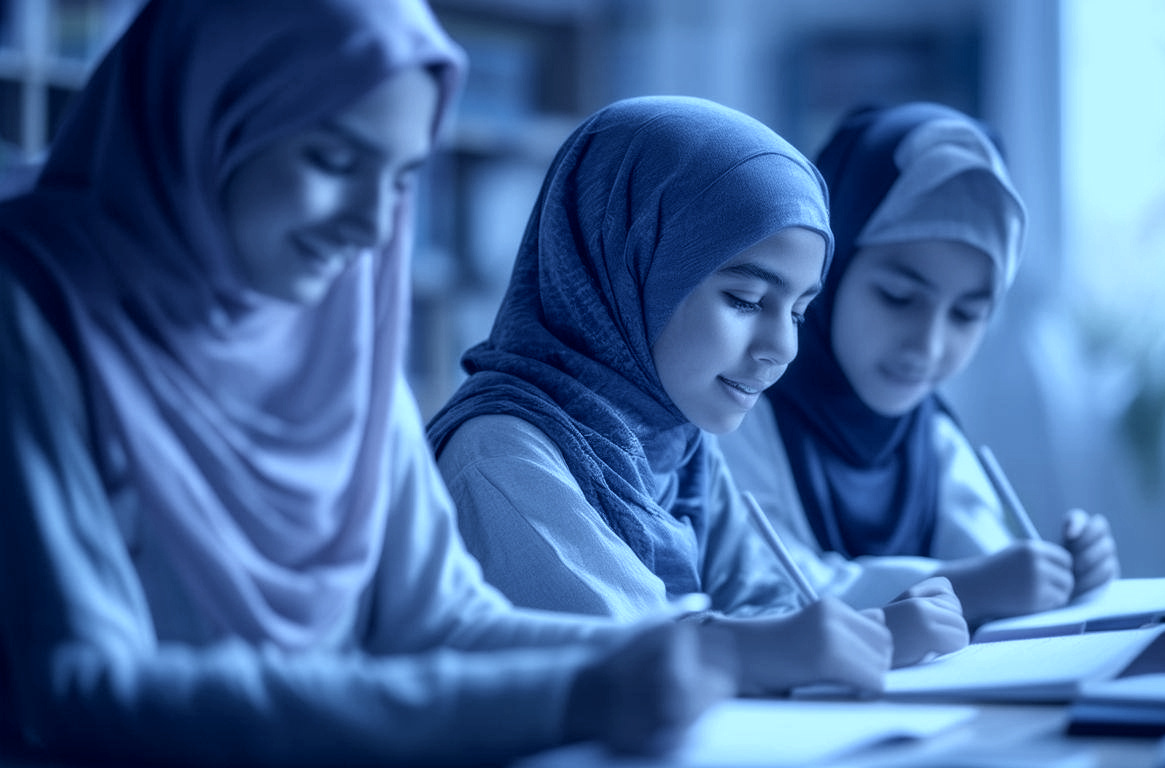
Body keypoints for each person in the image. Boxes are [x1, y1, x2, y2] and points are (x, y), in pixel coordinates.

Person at [0, 2, 739, 765]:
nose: (373, 229)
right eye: (334, 161)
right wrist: (568, 696)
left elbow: (443, 623)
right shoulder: (33, 311)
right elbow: (85, 689)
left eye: (402, 179)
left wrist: (712, 656)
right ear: (205, 117)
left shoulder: (334, 330)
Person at [425, 95, 968, 687]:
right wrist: (840, 642)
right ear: (627, 263)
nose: (782, 348)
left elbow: (772, 604)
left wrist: (867, 630)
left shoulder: (677, 441)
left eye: (800, 311)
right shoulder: (503, 455)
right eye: (746, 300)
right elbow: (637, 671)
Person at [718, 102, 1121, 627]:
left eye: (967, 314)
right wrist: (967, 588)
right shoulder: (737, 413)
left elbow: (989, 561)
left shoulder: (931, 436)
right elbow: (761, 586)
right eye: (898, 297)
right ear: (826, 271)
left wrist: (1064, 574)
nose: (928, 347)